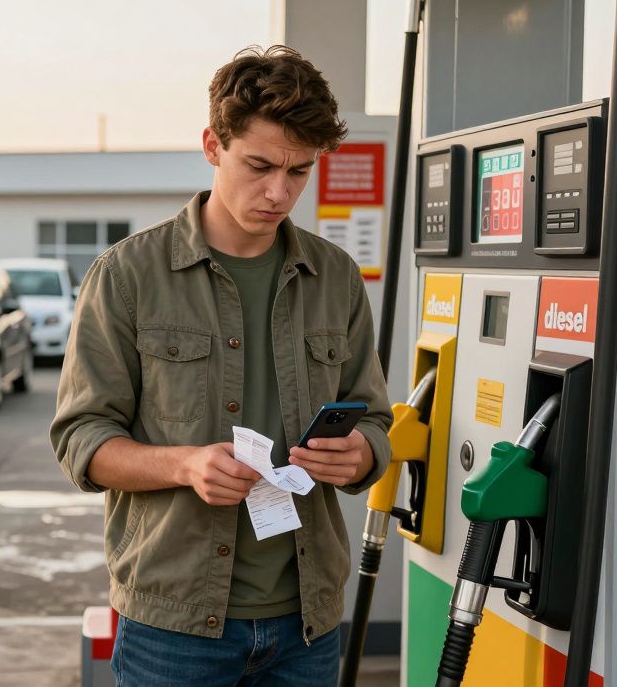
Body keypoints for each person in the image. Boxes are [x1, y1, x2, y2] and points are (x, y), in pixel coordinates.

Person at [50, 45, 392, 686]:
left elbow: (372, 417)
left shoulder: (335, 277)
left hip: (306, 624)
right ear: (213, 145)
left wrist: (363, 455)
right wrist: (183, 464)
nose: (279, 191)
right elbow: (80, 441)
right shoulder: (126, 276)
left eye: (299, 172)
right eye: (259, 165)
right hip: (172, 624)